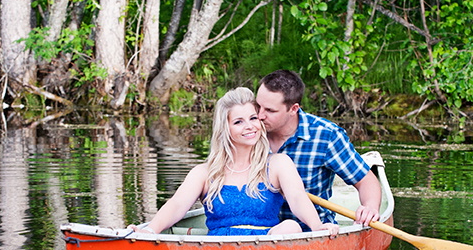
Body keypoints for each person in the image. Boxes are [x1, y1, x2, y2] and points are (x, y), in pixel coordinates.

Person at [130, 87, 339, 237]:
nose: (249, 126)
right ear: (225, 128)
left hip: (267, 247)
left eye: (253, 118)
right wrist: (151, 229)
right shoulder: (205, 173)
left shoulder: (278, 164)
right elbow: (177, 205)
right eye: (239, 122)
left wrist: (316, 225)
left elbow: (297, 198)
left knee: (291, 226)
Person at [255, 70, 381, 227]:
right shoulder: (250, 132)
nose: (259, 116)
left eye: (270, 110)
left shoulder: (326, 136)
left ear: (293, 109)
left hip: (315, 232)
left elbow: (365, 180)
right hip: (260, 232)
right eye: (257, 106)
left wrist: (369, 207)